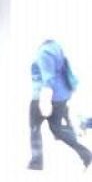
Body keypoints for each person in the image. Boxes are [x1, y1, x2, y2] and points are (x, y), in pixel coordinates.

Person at [28, 38, 92, 171]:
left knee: (35, 127)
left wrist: (45, 100)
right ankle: (86, 154)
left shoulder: (44, 52)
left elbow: (48, 78)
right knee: (57, 129)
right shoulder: (56, 47)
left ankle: (36, 162)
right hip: (61, 96)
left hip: (43, 96)